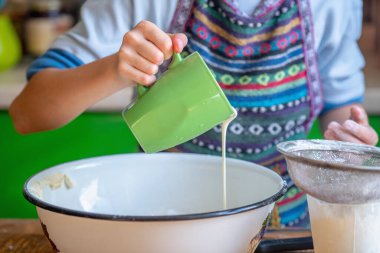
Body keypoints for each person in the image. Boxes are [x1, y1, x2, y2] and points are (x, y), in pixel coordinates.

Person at [10, 0, 378, 227]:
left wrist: (345, 139)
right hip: (166, 225)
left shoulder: (330, 4)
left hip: (291, 228)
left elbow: (338, 108)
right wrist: (114, 70)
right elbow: (28, 114)